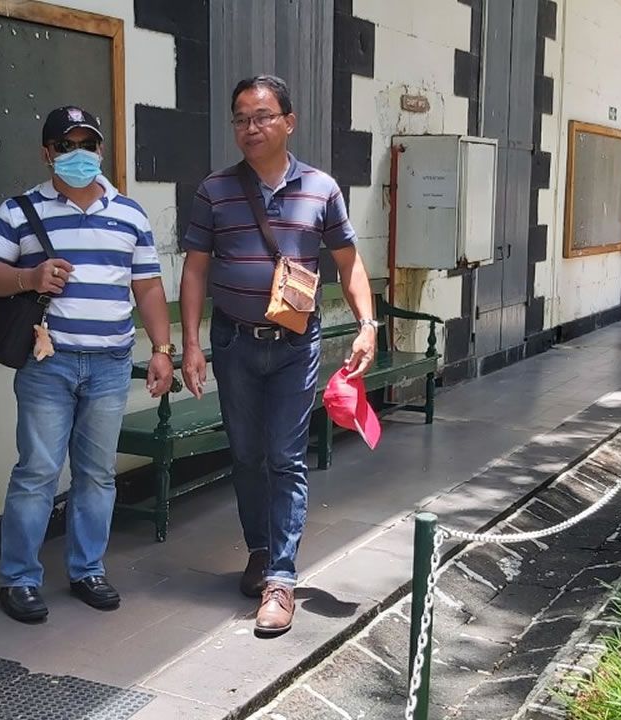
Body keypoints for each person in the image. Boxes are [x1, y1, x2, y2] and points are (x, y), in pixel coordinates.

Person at [178, 76, 378, 635]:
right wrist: (191, 343)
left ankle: (282, 581)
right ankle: (261, 551)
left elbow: (349, 263)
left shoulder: (322, 188)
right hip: (234, 344)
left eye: (263, 116)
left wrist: (368, 325)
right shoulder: (214, 191)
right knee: (245, 455)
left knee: (285, 458)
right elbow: (195, 268)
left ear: (289, 122)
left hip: (295, 346)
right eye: (241, 118)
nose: (251, 128)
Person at [0, 106, 174, 623]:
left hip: (109, 365)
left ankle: (88, 569)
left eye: (88, 143)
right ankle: (19, 579)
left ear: (102, 151)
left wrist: (161, 348)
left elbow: (148, 287)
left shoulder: (129, 213)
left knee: (97, 474)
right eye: (66, 145)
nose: (78, 154)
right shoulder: (19, 210)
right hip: (48, 364)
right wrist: (29, 278)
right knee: (37, 471)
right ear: (47, 154)